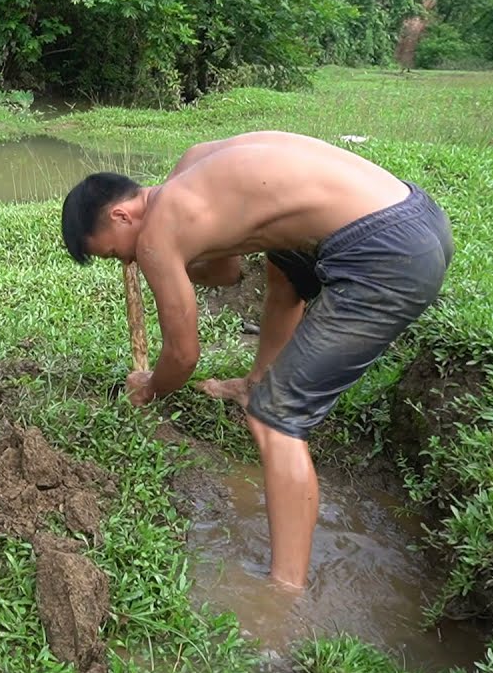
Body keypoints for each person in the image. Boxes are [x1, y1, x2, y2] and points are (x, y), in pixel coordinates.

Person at [60, 130, 454, 589]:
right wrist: (173, 264)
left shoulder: (156, 234)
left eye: (113, 252)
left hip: (386, 254)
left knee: (275, 420)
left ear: (120, 214)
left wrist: (149, 386)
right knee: (283, 262)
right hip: (418, 215)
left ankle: (285, 590)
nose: (124, 262)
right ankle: (255, 382)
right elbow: (227, 272)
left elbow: (184, 355)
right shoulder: (191, 168)